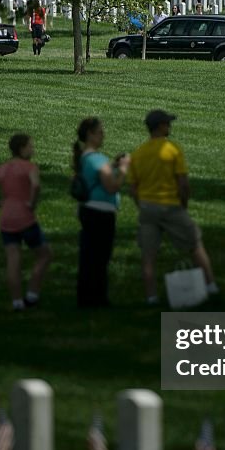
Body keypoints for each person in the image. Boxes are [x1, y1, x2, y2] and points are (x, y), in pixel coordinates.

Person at [127, 110, 218, 305]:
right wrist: (183, 204)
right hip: (170, 206)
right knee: (195, 243)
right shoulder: (172, 150)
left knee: (148, 255)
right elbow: (183, 183)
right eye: (167, 123)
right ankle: (211, 286)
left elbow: (133, 187)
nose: (170, 126)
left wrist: (141, 205)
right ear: (160, 126)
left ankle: (151, 297)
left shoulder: (138, 154)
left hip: (148, 208)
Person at [0, 133, 53, 310]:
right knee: (44, 255)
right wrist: (32, 203)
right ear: (21, 148)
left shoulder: (2, 168)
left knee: (13, 258)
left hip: (6, 219)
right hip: (25, 217)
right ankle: (32, 295)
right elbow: (36, 185)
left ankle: (17, 302)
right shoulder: (30, 167)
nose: (33, 149)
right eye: (30, 146)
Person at [72, 117, 131, 307]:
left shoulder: (85, 157)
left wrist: (112, 166)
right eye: (100, 132)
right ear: (90, 134)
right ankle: (97, 298)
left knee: (88, 254)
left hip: (87, 209)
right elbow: (112, 186)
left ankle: (85, 296)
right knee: (100, 256)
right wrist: (122, 169)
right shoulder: (98, 159)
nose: (103, 135)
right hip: (101, 212)